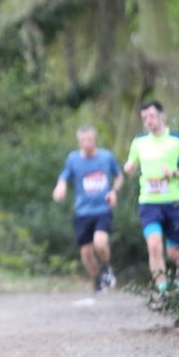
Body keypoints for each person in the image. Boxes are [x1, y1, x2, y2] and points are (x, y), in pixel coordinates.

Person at [122, 101, 179, 293]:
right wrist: (129, 168)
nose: (149, 121)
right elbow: (131, 164)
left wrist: (173, 173)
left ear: (162, 116)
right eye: (145, 118)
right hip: (149, 202)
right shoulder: (139, 142)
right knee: (154, 245)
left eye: (152, 116)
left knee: (174, 252)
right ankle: (162, 290)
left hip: (174, 201)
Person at [52, 125, 124, 292]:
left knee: (100, 242)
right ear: (78, 142)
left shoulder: (106, 157)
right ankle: (97, 281)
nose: (86, 143)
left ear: (95, 140)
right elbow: (64, 177)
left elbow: (118, 176)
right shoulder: (73, 159)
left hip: (102, 210)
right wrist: (60, 187)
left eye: (89, 140)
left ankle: (106, 267)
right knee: (86, 253)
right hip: (82, 212)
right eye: (83, 140)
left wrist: (114, 192)